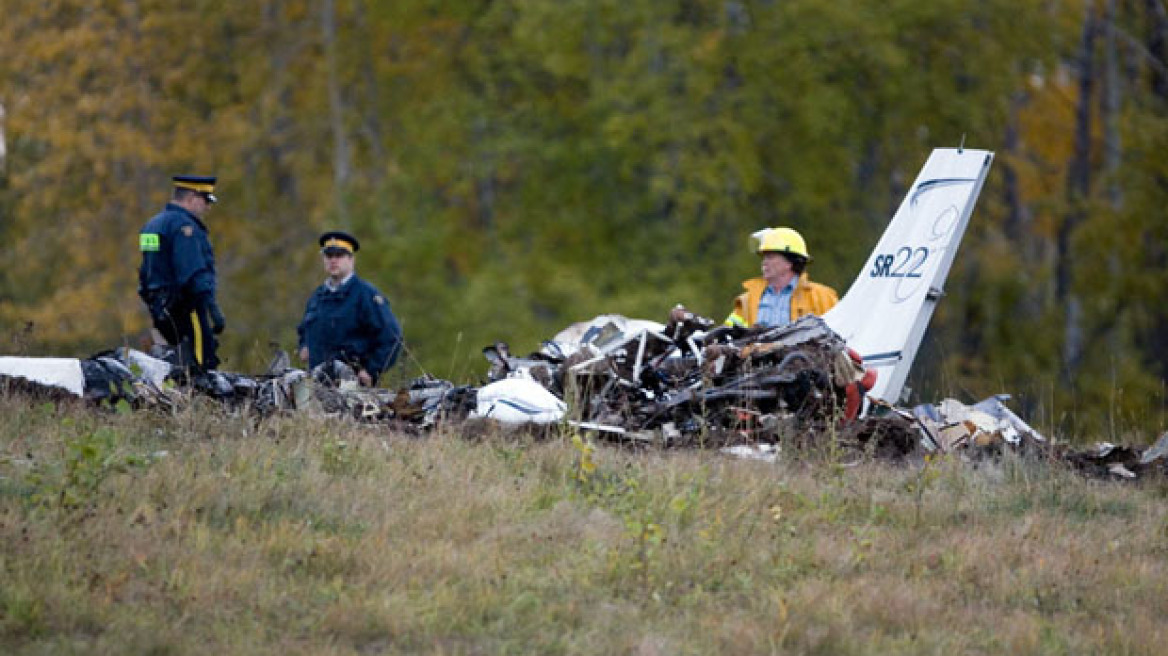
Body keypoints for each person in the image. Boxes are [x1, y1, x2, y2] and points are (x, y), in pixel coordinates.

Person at [138, 174, 225, 372]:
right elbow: (192, 272)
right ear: (191, 198)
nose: (208, 207)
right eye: (205, 201)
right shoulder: (184, 228)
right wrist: (211, 307)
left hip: (160, 309)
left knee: (171, 363)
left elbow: (147, 270)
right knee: (201, 364)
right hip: (187, 308)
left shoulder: (153, 225)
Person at [297, 231, 403, 386]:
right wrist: (304, 346)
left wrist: (371, 370)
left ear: (351, 259)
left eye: (339, 255)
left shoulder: (366, 295)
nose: (333, 260)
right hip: (317, 383)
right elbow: (304, 329)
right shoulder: (318, 297)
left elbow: (392, 337)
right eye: (328, 255)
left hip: (353, 386)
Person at [725, 227, 838, 329]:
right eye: (764, 257)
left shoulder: (822, 297)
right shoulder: (747, 300)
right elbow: (728, 335)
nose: (764, 262)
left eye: (770, 257)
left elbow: (840, 332)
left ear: (790, 262)